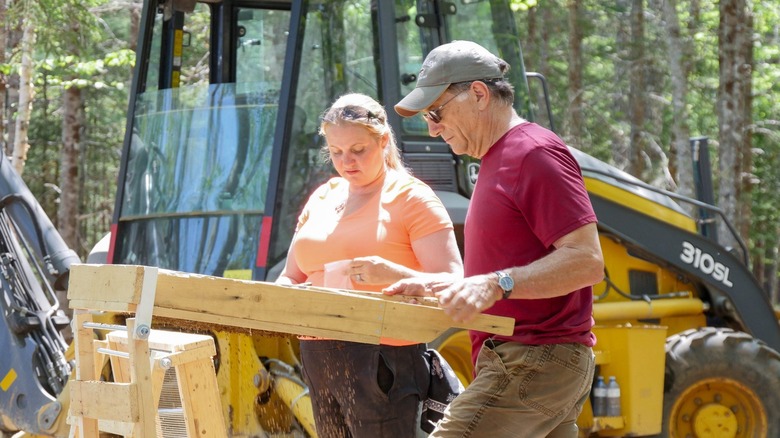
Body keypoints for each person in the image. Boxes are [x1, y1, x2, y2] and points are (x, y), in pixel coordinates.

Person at [386, 40, 605, 437]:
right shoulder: (496, 160)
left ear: (479, 94)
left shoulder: (534, 153)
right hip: (532, 361)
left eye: (435, 112)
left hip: (535, 358)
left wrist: (495, 283)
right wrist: (440, 285)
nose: (432, 129)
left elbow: (587, 261)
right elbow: (503, 272)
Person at [276, 92, 463, 437]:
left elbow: (454, 279)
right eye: (336, 152)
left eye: (358, 150)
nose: (347, 161)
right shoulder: (323, 196)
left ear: (383, 141)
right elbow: (289, 275)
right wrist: (283, 296)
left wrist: (396, 275)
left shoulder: (412, 197)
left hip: (383, 359)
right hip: (319, 355)